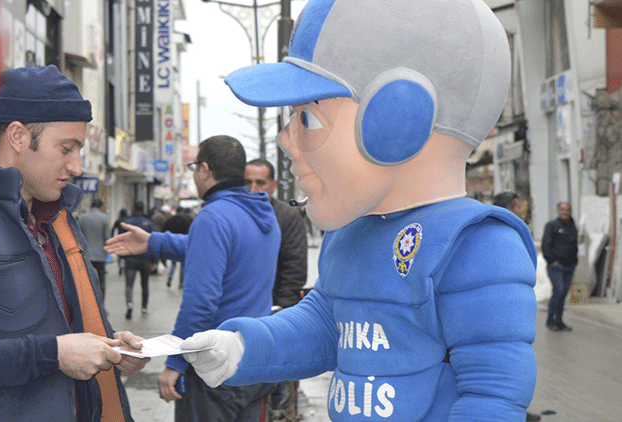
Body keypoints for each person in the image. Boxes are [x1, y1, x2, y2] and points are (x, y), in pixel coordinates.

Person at [179, 1, 538, 421]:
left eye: (307, 119)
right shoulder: (351, 233)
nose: (285, 140)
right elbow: (328, 326)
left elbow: (494, 396)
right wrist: (243, 346)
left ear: (396, 117)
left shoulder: (478, 246)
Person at [0, 65, 148, 422]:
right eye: (67, 148)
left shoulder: (59, 220)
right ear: (18, 137)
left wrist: (108, 343)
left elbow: (61, 325)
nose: (77, 166)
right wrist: (54, 355)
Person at [106, 135, 281, 421]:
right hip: (257, 360)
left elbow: (201, 303)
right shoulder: (263, 214)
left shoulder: (213, 217)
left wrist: (176, 363)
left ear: (205, 169)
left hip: (216, 365)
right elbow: (221, 250)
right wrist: (154, 242)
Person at [244, 158, 307, 420]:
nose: (254, 188)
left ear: (273, 185)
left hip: (276, 312)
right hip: (243, 314)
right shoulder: (236, 214)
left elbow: (295, 268)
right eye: (247, 182)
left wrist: (281, 309)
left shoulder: (287, 216)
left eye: (260, 182)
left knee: (280, 382)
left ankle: (284, 414)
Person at [494, 192, 542, 422]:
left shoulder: (499, 227)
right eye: (518, 206)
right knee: (505, 364)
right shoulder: (501, 231)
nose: (521, 210)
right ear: (510, 208)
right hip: (500, 308)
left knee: (510, 363)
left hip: (508, 305)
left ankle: (518, 410)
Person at [541, 202, 578, 332]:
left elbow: (575, 245)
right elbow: (546, 245)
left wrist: (575, 261)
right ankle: (550, 320)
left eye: (568, 210)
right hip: (556, 266)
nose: (565, 212)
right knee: (558, 291)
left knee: (563, 294)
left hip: (569, 267)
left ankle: (559, 321)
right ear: (557, 210)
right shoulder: (551, 226)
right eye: (562, 209)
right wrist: (552, 261)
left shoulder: (572, 226)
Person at [122, 201, 154, 320]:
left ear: (134, 208)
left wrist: (121, 257)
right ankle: (144, 308)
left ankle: (129, 305)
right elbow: (153, 241)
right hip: (145, 258)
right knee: (144, 284)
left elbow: (122, 239)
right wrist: (154, 260)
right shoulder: (149, 224)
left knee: (129, 284)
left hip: (130, 258)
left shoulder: (128, 223)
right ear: (143, 209)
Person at [78, 198, 110, 299]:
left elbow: (78, 236)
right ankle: (101, 305)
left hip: (85, 255)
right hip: (100, 255)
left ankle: (89, 304)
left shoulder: (82, 217)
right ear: (101, 207)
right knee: (101, 280)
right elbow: (107, 238)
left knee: (86, 281)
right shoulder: (104, 218)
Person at [162, 206, 192, 288]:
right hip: (183, 245)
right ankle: (181, 283)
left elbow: (164, 230)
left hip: (172, 244)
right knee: (183, 265)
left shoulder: (170, 220)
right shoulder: (185, 221)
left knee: (173, 264)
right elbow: (188, 233)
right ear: (182, 212)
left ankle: (170, 276)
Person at [112, 208, 129, 275]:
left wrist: (112, 237)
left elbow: (113, 229)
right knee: (126, 253)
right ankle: (125, 266)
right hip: (127, 239)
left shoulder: (118, 221)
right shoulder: (128, 220)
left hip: (119, 239)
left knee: (119, 253)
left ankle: (120, 266)